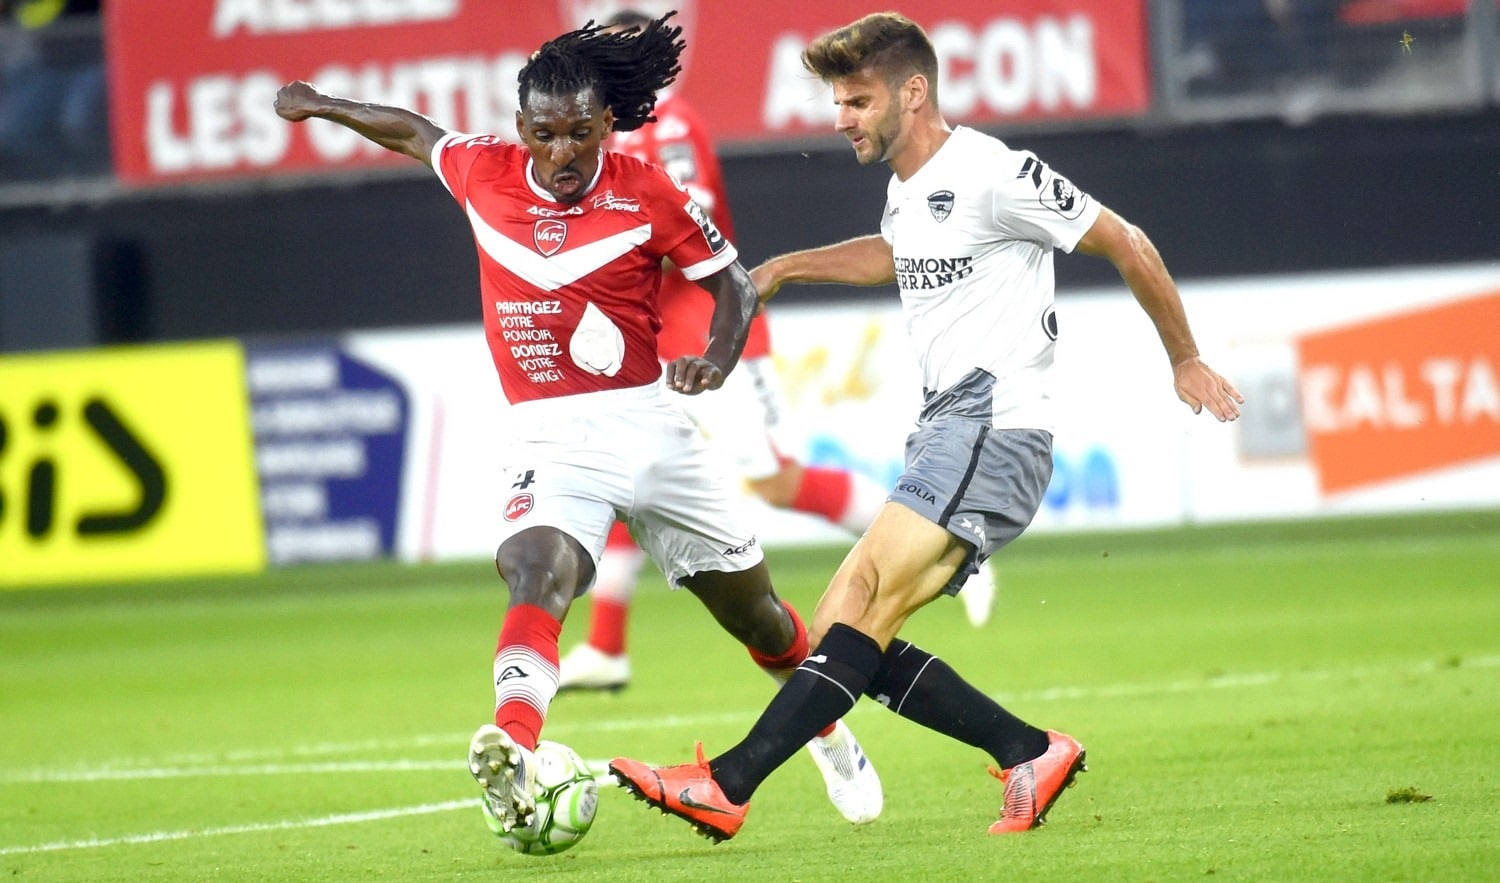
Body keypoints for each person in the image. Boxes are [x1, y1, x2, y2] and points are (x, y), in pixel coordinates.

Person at [610, 11, 1244, 842]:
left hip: (996, 421)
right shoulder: (910, 185)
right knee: (844, 622)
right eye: (838, 101)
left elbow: (1126, 239)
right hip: (948, 425)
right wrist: (784, 269)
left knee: (862, 607)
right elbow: (897, 250)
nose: (841, 118)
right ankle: (1027, 750)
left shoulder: (994, 170)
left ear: (914, 92)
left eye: (858, 100)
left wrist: (1185, 358)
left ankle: (727, 783)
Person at [272, 13, 882, 836]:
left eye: (581, 135)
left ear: (608, 126)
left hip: (652, 428)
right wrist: (321, 104)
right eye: (547, 135)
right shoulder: (481, 170)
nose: (563, 154)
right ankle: (513, 744)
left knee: (759, 616)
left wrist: (717, 357)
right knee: (535, 570)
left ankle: (830, 732)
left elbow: (732, 282)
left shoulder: (646, 189)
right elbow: (414, 133)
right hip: (551, 434)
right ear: (521, 128)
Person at [557, 11, 995, 695]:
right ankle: (607, 647)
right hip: (649, 340)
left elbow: (686, 217)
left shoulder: (669, 124)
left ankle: (945, 545)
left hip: (709, 331)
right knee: (626, 481)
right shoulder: (602, 134)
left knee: (776, 482)